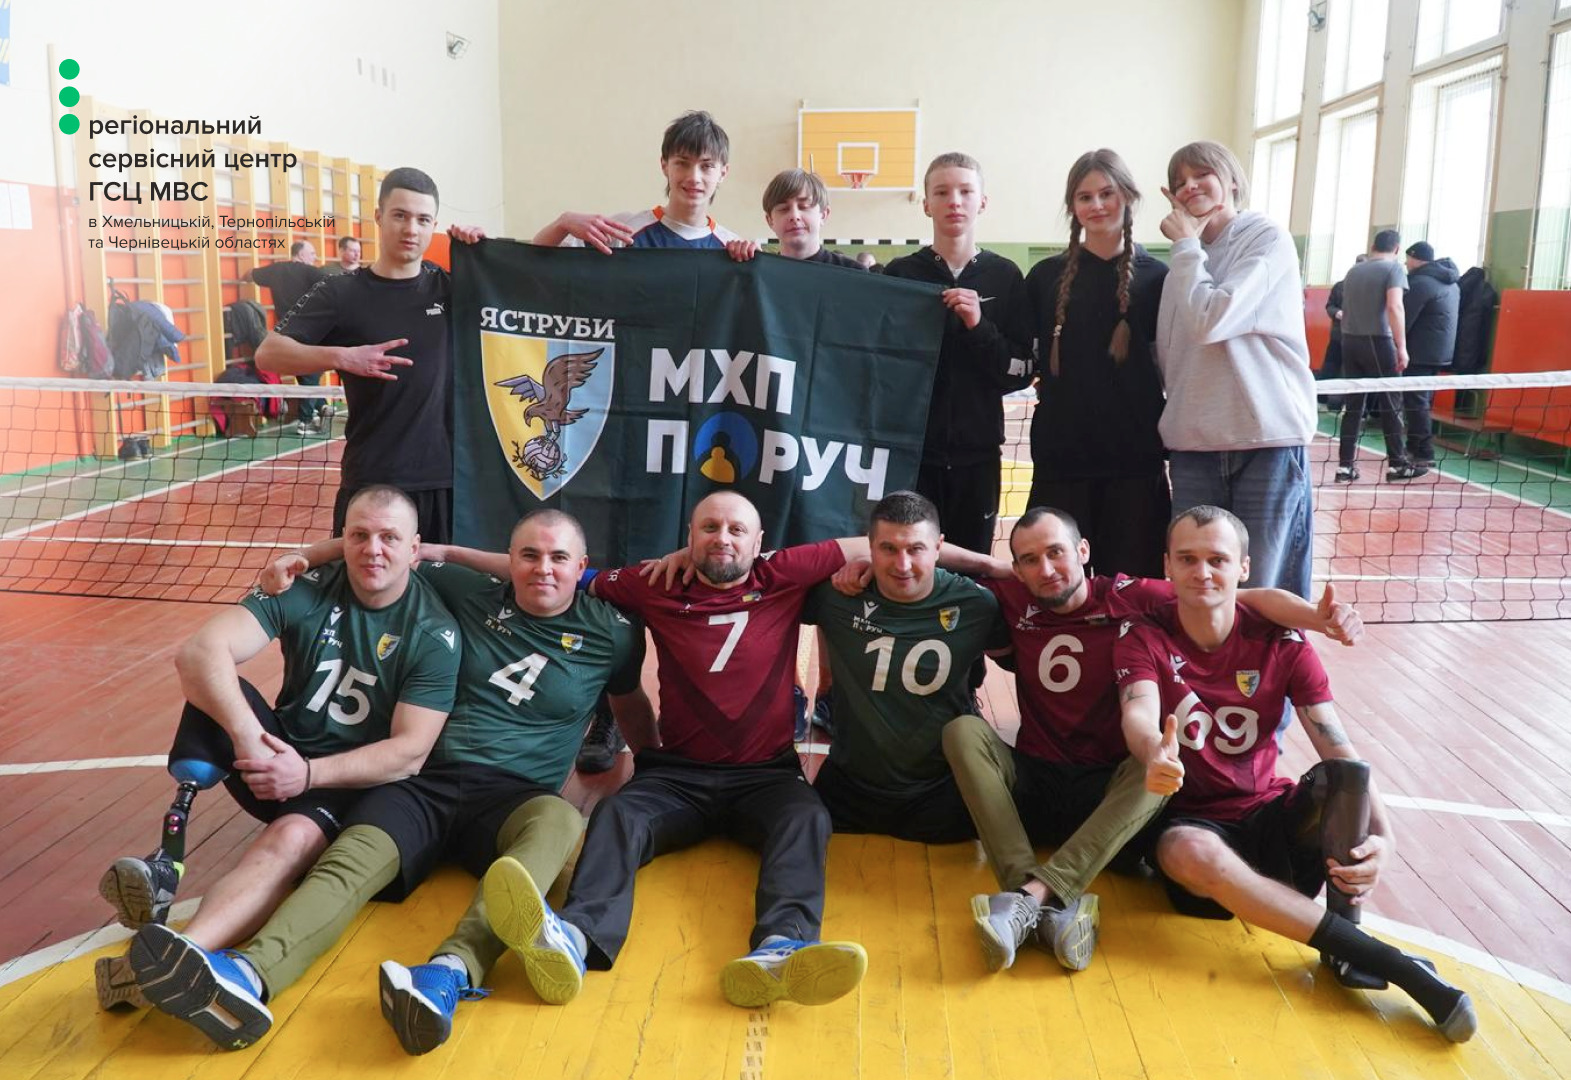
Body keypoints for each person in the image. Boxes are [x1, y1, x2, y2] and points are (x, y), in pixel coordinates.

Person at [126, 510, 654, 1054]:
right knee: (346, 862)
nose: (543, 568)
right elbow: (384, 550)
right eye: (529, 555)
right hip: (424, 783)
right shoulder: (467, 591)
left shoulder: (613, 632)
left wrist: (655, 765)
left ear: (581, 567)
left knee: (561, 820)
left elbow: (630, 702)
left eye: (559, 558)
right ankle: (249, 973)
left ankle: (449, 971)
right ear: (509, 560)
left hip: (516, 796)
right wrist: (306, 555)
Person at [476, 492, 1004, 1010]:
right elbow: (558, 572)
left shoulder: (782, 575)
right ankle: (576, 935)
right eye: (709, 528)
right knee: (617, 813)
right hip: (678, 775)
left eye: (736, 530)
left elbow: (875, 545)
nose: (722, 538)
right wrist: (447, 553)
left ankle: (781, 945)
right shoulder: (655, 582)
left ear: (759, 542)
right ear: (688, 537)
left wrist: (992, 566)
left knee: (807, 817)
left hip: (765, 775)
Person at [1115, 505, 1476, 1043]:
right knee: (1188, 851)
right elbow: (1138, 713)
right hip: (1194, 827)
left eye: (1217, 560)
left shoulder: (1282, 641)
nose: (1202, 572)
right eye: (1187, 559)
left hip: (1270, 820)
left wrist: (1387, 839)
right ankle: (1389, 962)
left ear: (1243, 568)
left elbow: (1339, 748)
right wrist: (1154, 753)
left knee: (1343, 776)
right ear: (1167, 566)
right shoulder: (1144, 635)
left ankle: (1347, 931)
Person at [946, 506, 1361, 974]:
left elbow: (1248, 597)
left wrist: (1316, 618)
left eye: (1056, 552)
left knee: (1157, 766)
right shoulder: (1013, 595)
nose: (1046, 569)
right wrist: (989, 565)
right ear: (1017, 569)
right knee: (962, 730)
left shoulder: (1129, 596)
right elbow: (921, 550)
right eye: (1029, 560)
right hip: (1036, 777)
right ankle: (1034, 896)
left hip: (1107, 790)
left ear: (1083, 551)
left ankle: (1033, 898)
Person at [94, 486, 461, 1011]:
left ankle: (166, 961)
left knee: (288, 839)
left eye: (389, 538)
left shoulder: (433, 632)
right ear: (342, 539)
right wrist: (253, 742)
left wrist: (307, 774)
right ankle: (167, 861)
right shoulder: (306, 586)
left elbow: (409, 753)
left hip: (346, 783)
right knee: (215, 684)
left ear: (414, 547)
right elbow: (198, 652)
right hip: (270, 761)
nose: (372, 550)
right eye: (359, 535)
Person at [256, 167, 477, 543]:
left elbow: (518, 287)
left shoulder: (449, 288)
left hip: (446, 481)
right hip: (373, 480)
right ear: (378, 216)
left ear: (434, 226)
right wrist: (343, 357)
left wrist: (488, 252)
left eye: (423, 219)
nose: (411, 229)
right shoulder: (340, 292)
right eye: (400, 215)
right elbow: (268, 354)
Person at [1155, 141, 1316, 598]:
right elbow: (1171, 353)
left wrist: (1185, 245)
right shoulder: (1182, 264)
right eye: (1180, 182)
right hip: (1194, 447)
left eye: (1201, 175)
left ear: (1230, 180)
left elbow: (1211, 320)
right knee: (1199, 592)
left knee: (1263, 591)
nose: (1190, 186)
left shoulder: (1265, 238)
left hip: (1265, 442)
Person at [804, 491, 1005, 843]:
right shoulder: (835, 594)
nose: (902, 565)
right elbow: (759, 581)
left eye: (916, 549)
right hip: (849, 788)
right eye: (888, 548)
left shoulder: (977, 605)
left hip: (940, 792)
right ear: (869, 547)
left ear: (938, 547)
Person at [1023, 149, 1169, 579]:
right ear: (1073, 206)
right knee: (1054, 584)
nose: (1097, 205)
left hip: (1135, 461)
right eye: (1085, 197)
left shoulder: (1159, 278)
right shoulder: (1044, 278)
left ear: (1129, 196)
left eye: (1108, 193)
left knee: (1133, 588)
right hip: (1062, 459)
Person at [884, 152, 1033, 561]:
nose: (954, 201)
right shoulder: (899, 274)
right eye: (942, 192)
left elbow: (1021, 371)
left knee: (972, 565)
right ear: (926, 204)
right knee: (909, 563)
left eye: (966, 191)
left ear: (982, 201)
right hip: (911, 455)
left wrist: (978, 326)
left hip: (977, 456)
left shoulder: (1005, 276)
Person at [534, 110, 738, 252]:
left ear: (723, 173)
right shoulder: (623, 230)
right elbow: (532, 263)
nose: (694, 177)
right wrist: (563, 223)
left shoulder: (731, 248)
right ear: (664, 165)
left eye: (706, 166)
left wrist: (749, 260)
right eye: (682, 163)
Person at [1335, 230, 1425, 484]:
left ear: (1373, 245)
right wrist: (1402, 346)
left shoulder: (1354, 270)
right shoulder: (1393, 269)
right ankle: (1397, 464)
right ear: (1396, 249)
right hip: (1377, 341)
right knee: (1391, 403)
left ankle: (1344, 467)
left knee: (1354, 406)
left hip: (1349, 341)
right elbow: (1395, 306)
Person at [248, 242, 329, 434]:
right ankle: (306, 420)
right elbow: (337, 287)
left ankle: (322, 405)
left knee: (303, 370)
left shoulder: (275, 270)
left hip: (285, 331)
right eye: (312, 253)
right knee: (311, 372)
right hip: (309, 330)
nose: (315, 257)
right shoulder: (312, 272)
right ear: (300, 254)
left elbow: (250, 275)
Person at [724, 168, 863, 268]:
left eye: (804, 206)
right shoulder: (758, 273)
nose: (794, 216)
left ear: (823, 214)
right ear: (770, 220)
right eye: (783, 209)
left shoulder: (854, 273)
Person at [1401, 241, 1460, 469]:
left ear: (1415, 258)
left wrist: (1395, 345)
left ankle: (1423, 451)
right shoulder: (1452, 284)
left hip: (1420, 352)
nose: (1406, 263)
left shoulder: (1420, 283)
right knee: (1421, 402)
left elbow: (1404, 318)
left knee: (1416, 403)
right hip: (1439, 353)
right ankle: (1414, 446)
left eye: (1408, 258)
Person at [1318, 255, 1367, 416]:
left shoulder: (1370, 288)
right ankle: (1321, 400)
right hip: (1338, 335)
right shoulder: (1340, 286)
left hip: (1359, 337)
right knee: (1329, 367)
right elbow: (1329, 306)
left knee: (1352, 371)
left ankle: (1348, 406)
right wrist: (1336, 312)